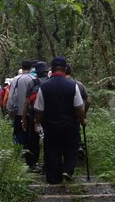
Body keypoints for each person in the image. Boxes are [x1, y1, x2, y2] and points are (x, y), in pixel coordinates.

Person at [33, 56, 87, 184]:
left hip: (51, 126)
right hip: (70, 125)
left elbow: (39, 110)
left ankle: (53, 179)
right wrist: (82, 120)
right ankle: (67, 169)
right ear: (65, 68)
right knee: (71, 148)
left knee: (52, 151)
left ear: (51, 68)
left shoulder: (44, 86)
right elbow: (79, 107)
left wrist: (37, 123)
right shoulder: (73, 85)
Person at [21, 61, 49, 172]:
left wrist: (23, 118)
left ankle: (33, 164)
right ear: (46, 72)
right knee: (49, 139)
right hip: (48, 115)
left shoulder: (32, 83)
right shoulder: (50, 82)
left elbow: (27, 102)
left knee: (33, 140)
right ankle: (48, 164)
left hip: (34, 114)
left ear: (36, 72)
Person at [5, 59, 36, 145]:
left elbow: (12, 95)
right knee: (30, 132)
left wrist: (9, 109)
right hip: (31, 111)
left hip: (18, 111)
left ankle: (18, 150)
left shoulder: (16, 79)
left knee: (18, 132)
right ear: (31, 68)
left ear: (22, 68)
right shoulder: (34, 79)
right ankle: (28, 149)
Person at [66, 63, 89, 159]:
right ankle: (77, 148)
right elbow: (88, 101)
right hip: (75, 115)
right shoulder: (78, 84)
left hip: (59, 116)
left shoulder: (55, 84)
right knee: (75, 132)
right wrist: (83, 114)